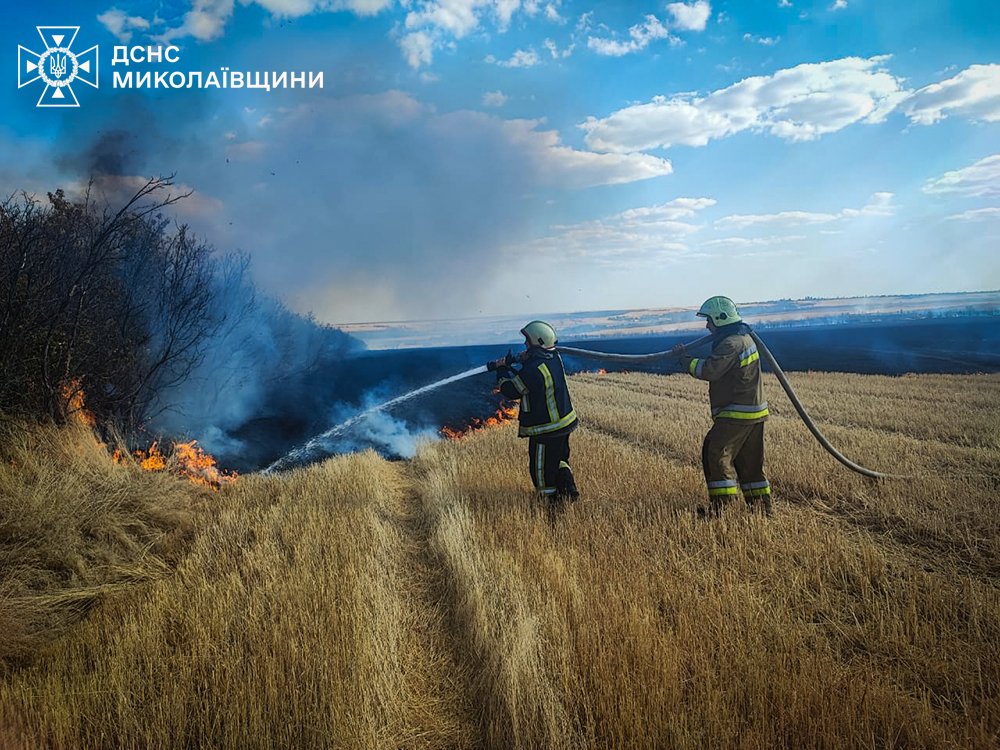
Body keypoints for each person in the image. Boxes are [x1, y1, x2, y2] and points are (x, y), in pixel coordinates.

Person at [672, 296, 772, 517]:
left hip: (737, 412)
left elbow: (709, 370)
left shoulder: (731, 343)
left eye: (709, 321)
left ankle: (721, 511)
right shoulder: (744, 340)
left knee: (715, 452)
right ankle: (762, 510)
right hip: (753, 411)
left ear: (720, 319)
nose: (707, 326)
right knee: (750, 464)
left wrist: (685, 360)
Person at [488, 320, 580, 514]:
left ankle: (551, 507)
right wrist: (522, 358)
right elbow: (535, 359)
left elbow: (511, 390)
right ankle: (568, 489)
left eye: (527, 342)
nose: (525, 345)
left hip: (546, 429)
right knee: (560, 459)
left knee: (541, 469)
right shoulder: (554, 357)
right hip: (564, 423)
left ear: (537, 343)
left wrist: (501, 369)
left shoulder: (533, 371)